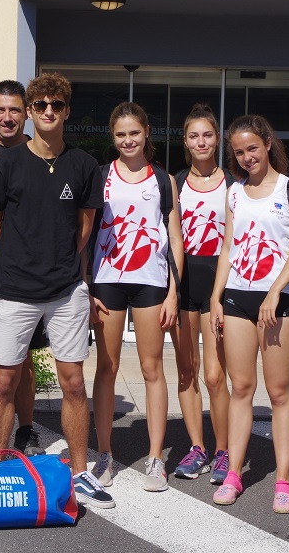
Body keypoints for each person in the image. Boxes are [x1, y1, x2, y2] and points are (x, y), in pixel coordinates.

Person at [0, 72, 115, 509]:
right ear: (31, 111)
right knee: (4, 380)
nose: (48, 112)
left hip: (65, 290)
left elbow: (85, 226)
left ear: (67, 111)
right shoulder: (7, 163)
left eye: (56, 105)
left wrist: (57, 261)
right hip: (16, 289)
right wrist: (16, 262)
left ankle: (79, 473)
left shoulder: (82, 165)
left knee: (73, 382)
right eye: (40, 106)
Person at [209, 114, 289, 514]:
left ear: (268, 143)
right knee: (240, 388)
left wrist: (274, 292)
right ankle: (234, 473)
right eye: (239, 151)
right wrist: (217, 297)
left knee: (279, 390)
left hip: (279, 301)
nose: (247, 156)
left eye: (252, 147)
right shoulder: (234, 192)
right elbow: (228, 248)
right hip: (237, 297)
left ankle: (284, 480)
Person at [90, 102, 183, 492]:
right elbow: (85, 234)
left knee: (151, 368)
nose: (128, 141)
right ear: (113, 138)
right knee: (106, 368)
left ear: (147, 133)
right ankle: (105, 455)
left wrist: (174, 293)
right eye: (120, 135)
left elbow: (175, 236)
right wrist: (86, 285)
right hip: (107, 279)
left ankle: (156, 458)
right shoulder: (100, 176)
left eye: (134, 133)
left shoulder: (163, 180)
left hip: (151, 281)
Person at [0, 79, 47, 456]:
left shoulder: (38, 153)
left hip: (23, 275)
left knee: (22, 358)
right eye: (1, 110)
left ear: (27, 114)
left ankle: (25, 428)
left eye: (15, 110)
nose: (8, 117)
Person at [170, 104, 234, 484]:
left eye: (207, 135)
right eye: (194, 135)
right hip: (183, 282)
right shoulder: (175, 182)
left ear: (217, 138)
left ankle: (224, 450)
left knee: (214, 375)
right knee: (186, 371)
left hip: (218, 284)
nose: (201, 142)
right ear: (185, 141)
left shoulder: (234, 184)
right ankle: (198, 447)